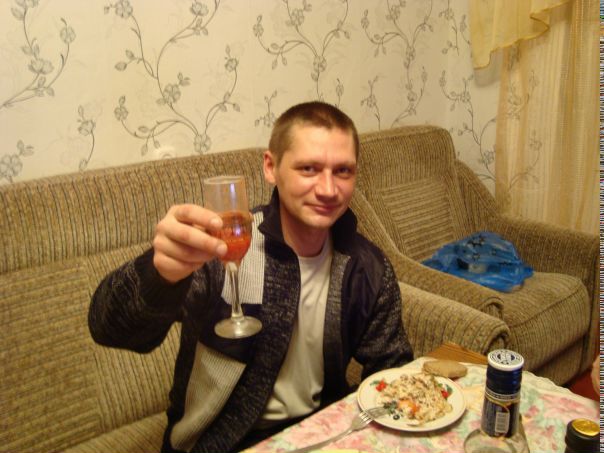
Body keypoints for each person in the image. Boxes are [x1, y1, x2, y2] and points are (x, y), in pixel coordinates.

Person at [88, 101, 413, 453]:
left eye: (343, 171)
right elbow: (110, 327)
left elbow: (392, 370)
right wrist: (158, 275)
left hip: (320, 435)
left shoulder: (367, 267)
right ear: (271, 167)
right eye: (308, 168)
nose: (328, 189)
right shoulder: (224, 249)